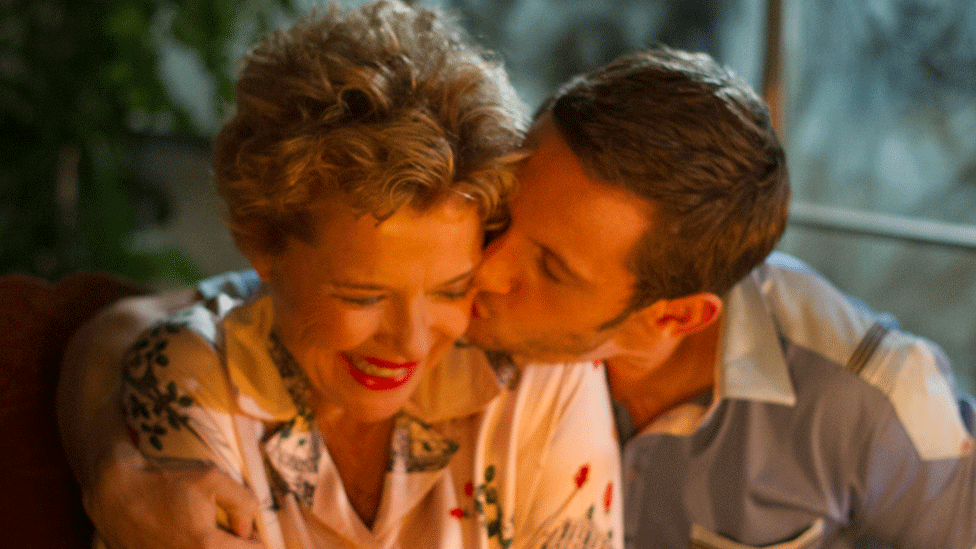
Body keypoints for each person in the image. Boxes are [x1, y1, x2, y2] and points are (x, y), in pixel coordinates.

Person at [60, 42, 976, 549]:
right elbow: (165, 322)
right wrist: (119, 461)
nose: (486, 276)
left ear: (672, 316)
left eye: (552, 269)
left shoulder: (872, 398)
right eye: (505, 222)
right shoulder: (452, 314)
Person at [57, 1, 622, 548]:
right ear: (259, 242)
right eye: (364, 296)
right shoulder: (191, 373)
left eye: (451, 290)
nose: (411, 340)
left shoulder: (538, 377)